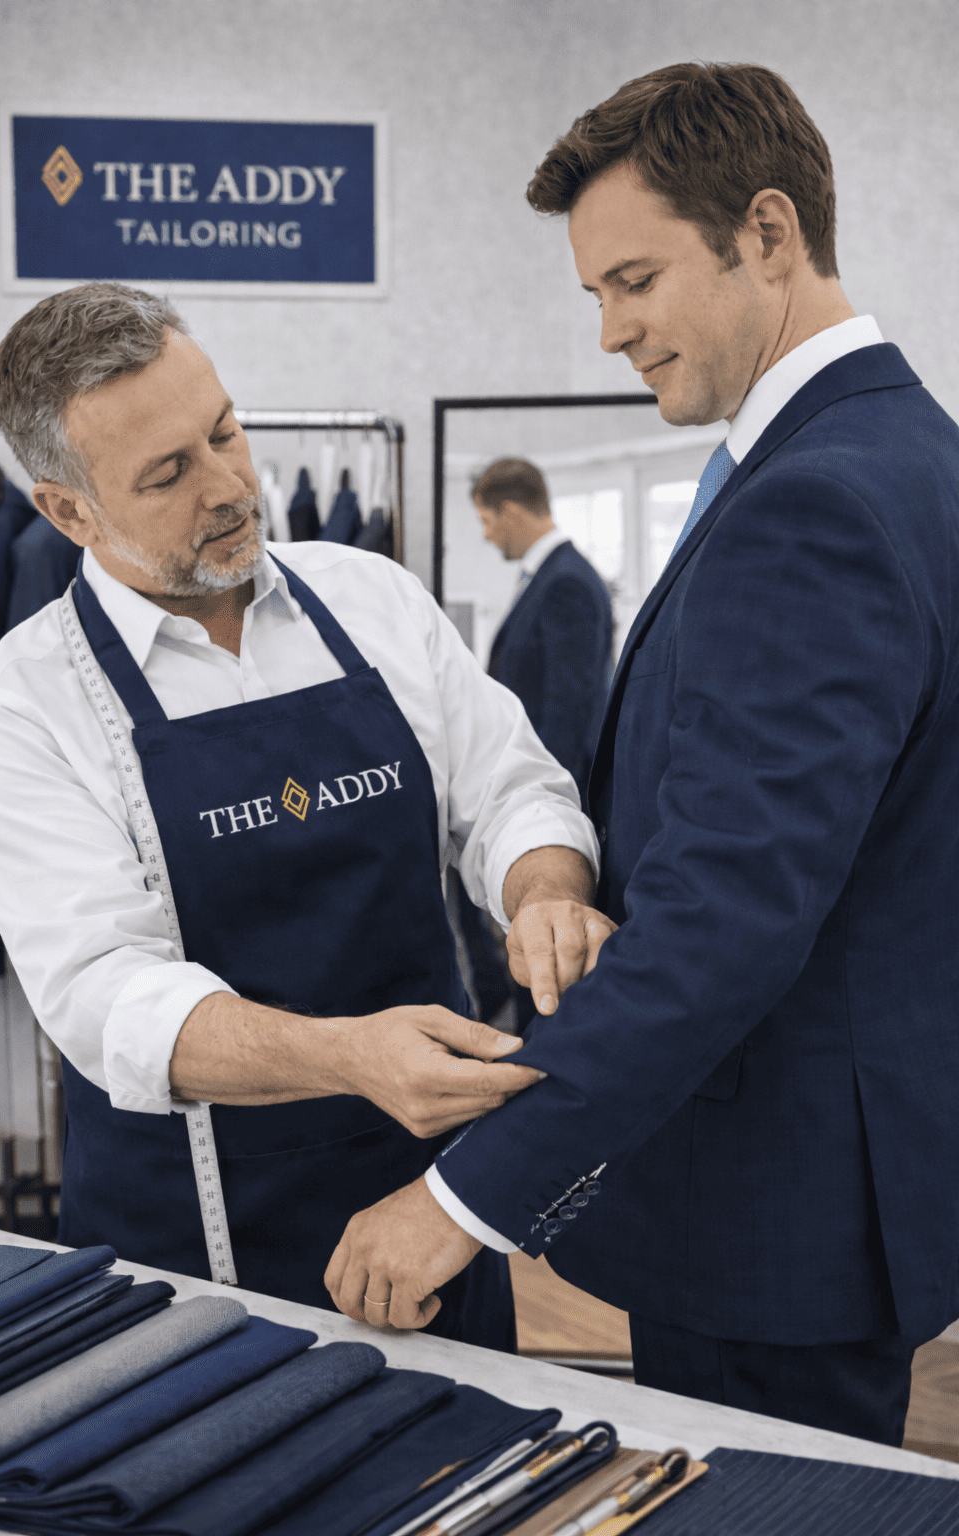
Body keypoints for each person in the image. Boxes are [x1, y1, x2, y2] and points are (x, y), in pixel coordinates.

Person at [324, 62, 959, 1445]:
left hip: (769, 1200)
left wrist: (462, 1198)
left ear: (768, 233)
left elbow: (730, 919)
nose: (610, 331)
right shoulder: (913, 453)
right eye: (594, 294)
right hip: (843, 1165)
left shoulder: (813, 503)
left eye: (634, 281)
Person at [0, 282, 613, 1350]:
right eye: (168, 472)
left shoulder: (374, 600)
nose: (228, 487)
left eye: (225, 432)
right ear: (68, 511)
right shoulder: (24, 711)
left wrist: (542, 890)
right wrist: (349, 1057)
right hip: (194, 1250)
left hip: (438, 1203)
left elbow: (510, 790)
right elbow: (106, 995)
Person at [474, 458, 613, 799]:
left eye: (486, 521)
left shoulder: (566, 582)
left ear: (511, 513)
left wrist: (547, 797)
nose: (486, 535)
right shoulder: (548, 574)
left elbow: (568, 709)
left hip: (548, 788)